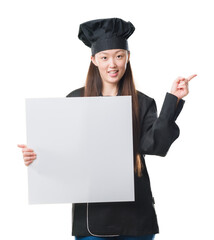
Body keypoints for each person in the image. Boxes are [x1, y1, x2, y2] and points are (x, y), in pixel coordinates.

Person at [18, 18, 197, 240]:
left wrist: (173, 101)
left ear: (127, 58)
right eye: (104, 57)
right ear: (94, 60)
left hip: (137, 217)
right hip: (93, 217)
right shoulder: (75, 100)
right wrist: (37, 158)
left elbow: (155, 145)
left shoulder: (142, 102)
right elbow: (66, 158)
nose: (112, 64)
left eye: (119, 56)